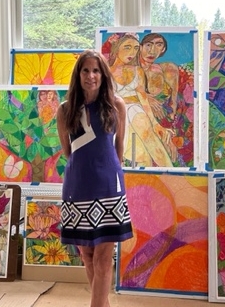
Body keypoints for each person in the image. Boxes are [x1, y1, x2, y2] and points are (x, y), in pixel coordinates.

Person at [57, 50, 134, 307]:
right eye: (86, 70)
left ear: (103, 75)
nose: (91, 76)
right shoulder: (65, 110)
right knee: (87, 255)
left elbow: (119, 148)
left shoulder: (116, 105)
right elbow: (69, 152)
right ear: (78, 75)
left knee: (103, 256)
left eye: (96, 70)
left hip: (108, 187)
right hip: (77, 187)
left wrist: (111, 173)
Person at [106, 33, 175, 166]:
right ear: (117, 48)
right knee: (143, 156)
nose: (132, 52)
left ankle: (171, 174)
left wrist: (155, 124)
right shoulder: (106, 72)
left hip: (135, 110)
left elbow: (143, 99)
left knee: (150, 138)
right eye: (127, 47)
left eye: (136, 48)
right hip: (116, 114)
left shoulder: (137, 71)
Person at [138, 33, 180, 124]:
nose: (152, 51)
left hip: (162, 123)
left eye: (159, 45)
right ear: (140, 47)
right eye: (148, 45)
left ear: (163, 49)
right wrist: (145, 98)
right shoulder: (129, 70)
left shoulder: (168, 69)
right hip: (136, 121)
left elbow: (173, 102)